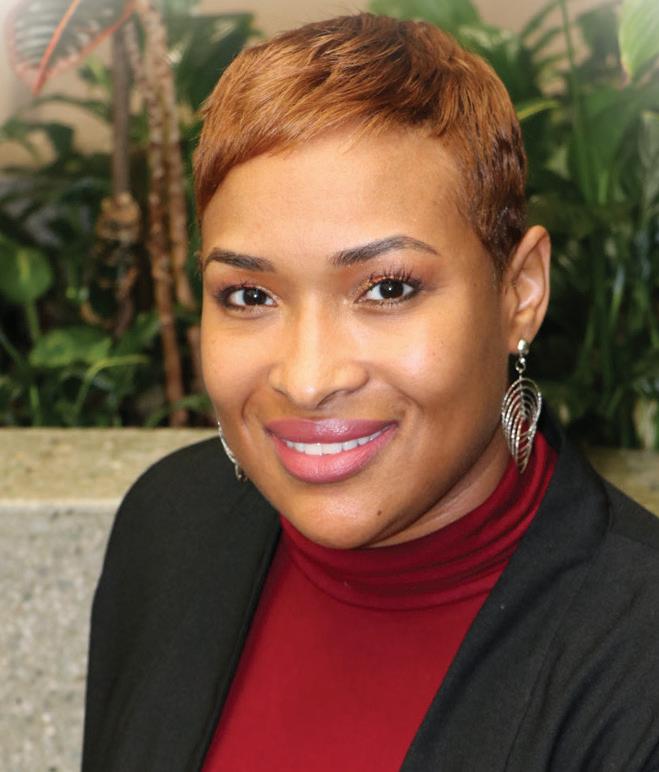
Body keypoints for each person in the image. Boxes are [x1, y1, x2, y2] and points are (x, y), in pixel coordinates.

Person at [82, 13, 659, 772]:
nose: (307, 379)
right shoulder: (168, 527)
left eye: (387, 288)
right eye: (250, 295)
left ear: (519, 291)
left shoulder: (636, 656)